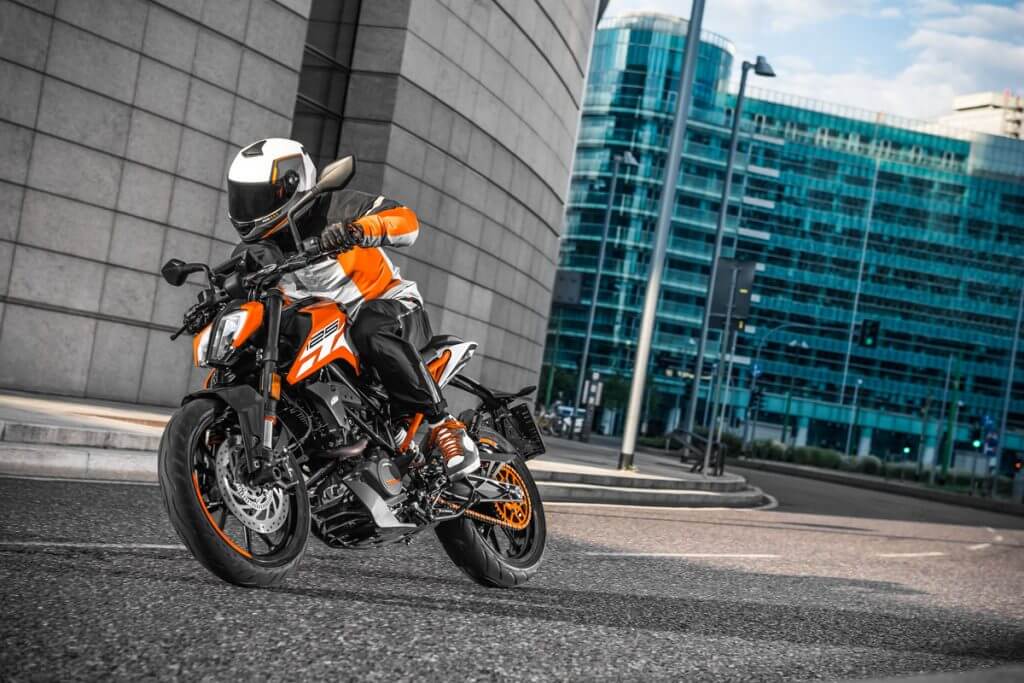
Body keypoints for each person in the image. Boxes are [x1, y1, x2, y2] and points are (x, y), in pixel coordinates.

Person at [224, 138, 478, 478]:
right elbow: (234, 284)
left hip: (390, 307)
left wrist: (358, 230)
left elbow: (406, 221)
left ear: (291, 186)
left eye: (256, 197)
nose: (248, 208)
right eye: (242, 197)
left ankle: (444, 425)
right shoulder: (254, 250)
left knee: (369, 328)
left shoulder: (333, 207)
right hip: (328, 332)